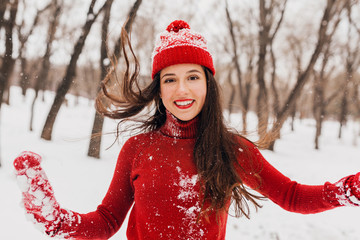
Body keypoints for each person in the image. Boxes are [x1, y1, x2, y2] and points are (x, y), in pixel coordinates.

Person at [14, 20, 360, 240]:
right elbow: (106, 221)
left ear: (208, 84)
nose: (182, 90)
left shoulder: (231, 150)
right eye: (170, 79)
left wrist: (348, 190)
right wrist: (56, 219)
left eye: (192, 77)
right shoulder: (138, 149)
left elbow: (294, 197)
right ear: (159, 90)